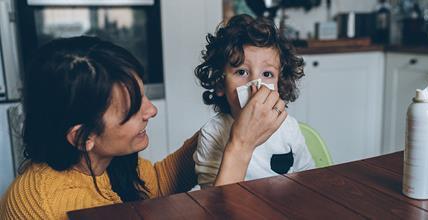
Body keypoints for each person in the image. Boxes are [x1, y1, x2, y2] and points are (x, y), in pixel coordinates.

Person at [0, 36, 286, 220]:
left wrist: (225, 129)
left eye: (144, 95)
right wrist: (240, 146)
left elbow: (159, 183)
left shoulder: (105, 162)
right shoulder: (53, 206)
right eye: (132, 109)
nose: (151, 110)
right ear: (83, 137)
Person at [193, 14, 315, 188]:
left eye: (267, 74)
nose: (255, 85)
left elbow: (308, 177)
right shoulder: (212, 134)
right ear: (220, 84)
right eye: (241, 72)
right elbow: (211, 201)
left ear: (279, 85)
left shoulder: (289, 127)